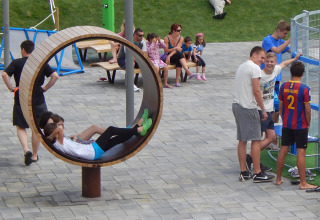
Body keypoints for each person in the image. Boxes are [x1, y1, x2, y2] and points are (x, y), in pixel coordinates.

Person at [2, 40, 59, 165]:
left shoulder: (17, 62)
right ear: (33, 51)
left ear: (23, 50)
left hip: (21, 98)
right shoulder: (40, 64)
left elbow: (5, 74)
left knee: (21, 126)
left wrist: (11, 87)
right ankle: (34, 155)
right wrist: (45, 88)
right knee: (36, 128)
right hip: (38, 99)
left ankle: (26, 150)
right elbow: (55, 76)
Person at [246, 52, 302, 173]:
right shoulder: (259, 75)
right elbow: (253, 90)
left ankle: (251, 157)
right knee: (258, 138)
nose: (270, 64)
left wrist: (295, 58)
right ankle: (251, 159)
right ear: (264, 62)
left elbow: (283, 64)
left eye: (272, 62)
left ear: (275, 62)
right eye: (267, 61)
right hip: (261, 111)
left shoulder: (276, 70)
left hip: (269, 110)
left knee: (271, 137)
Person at [232, 46, 274, 183]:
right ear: (254, 55)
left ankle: (244, 172)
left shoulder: (242, 66)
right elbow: (257, 91)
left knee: (242, 139)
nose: (263, 61)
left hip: (237, 105)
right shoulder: (255, 68)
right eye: (262, 58)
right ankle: (257, 172)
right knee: (256, 139)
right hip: (248, 107)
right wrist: (262, 109)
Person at [275, 61, 317, 190]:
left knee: (283, 149)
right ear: (303, 73)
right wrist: (308, 123)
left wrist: (284, 117)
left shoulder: (283, 87)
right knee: (301, 151)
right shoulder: (304, 89)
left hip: (287, 123)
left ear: (291, 72)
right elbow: (308, 110)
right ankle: (303, 183)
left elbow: (281, 106)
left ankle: (278, 179)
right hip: (300, 125)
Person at [43, 114, 152, 160]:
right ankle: (139, 129)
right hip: (92, 150)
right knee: (110, 130)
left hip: (92, 152)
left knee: (115, 140)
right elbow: (60, 129)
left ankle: (136, 129)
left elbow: (58, 130)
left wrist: (50, 135)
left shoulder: (57, 142)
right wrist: (52, 135)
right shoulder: (58, 141)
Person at [262, 20, 291, 123]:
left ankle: (273, 130)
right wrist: (290, 40)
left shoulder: (281, 41)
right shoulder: (267, 40)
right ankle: (270, 130)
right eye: (284, 33)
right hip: (267, 79)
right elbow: (277, 50)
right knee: (272, 105)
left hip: (277, 79)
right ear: (278, 30)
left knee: (277, 108)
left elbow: (289, 50)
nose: (285, 36)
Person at [164, 23, 196, 87]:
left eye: (180, 30)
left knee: (179, 57)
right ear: (173, 30)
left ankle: (177, 81)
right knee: (179, 54)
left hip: (174, 55)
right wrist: (170, 54)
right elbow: (166, 50)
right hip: (169, 54)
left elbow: (177, 49)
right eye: (178, 30)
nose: (180, 32)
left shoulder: (181, 38)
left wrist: (171, 53)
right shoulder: (167, 38)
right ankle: (187, 71)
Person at [117, 28, 147, 92]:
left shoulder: (142, 42)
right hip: (123, 59)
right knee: (131, 63)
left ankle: (150, 84)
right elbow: (129, 56)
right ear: (135, 35)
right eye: (140, 35)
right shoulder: (128, 41)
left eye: (142, 35)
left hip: (137, 59)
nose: (142, 37)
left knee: (149, 64)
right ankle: (130, 84)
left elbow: (145, 53)